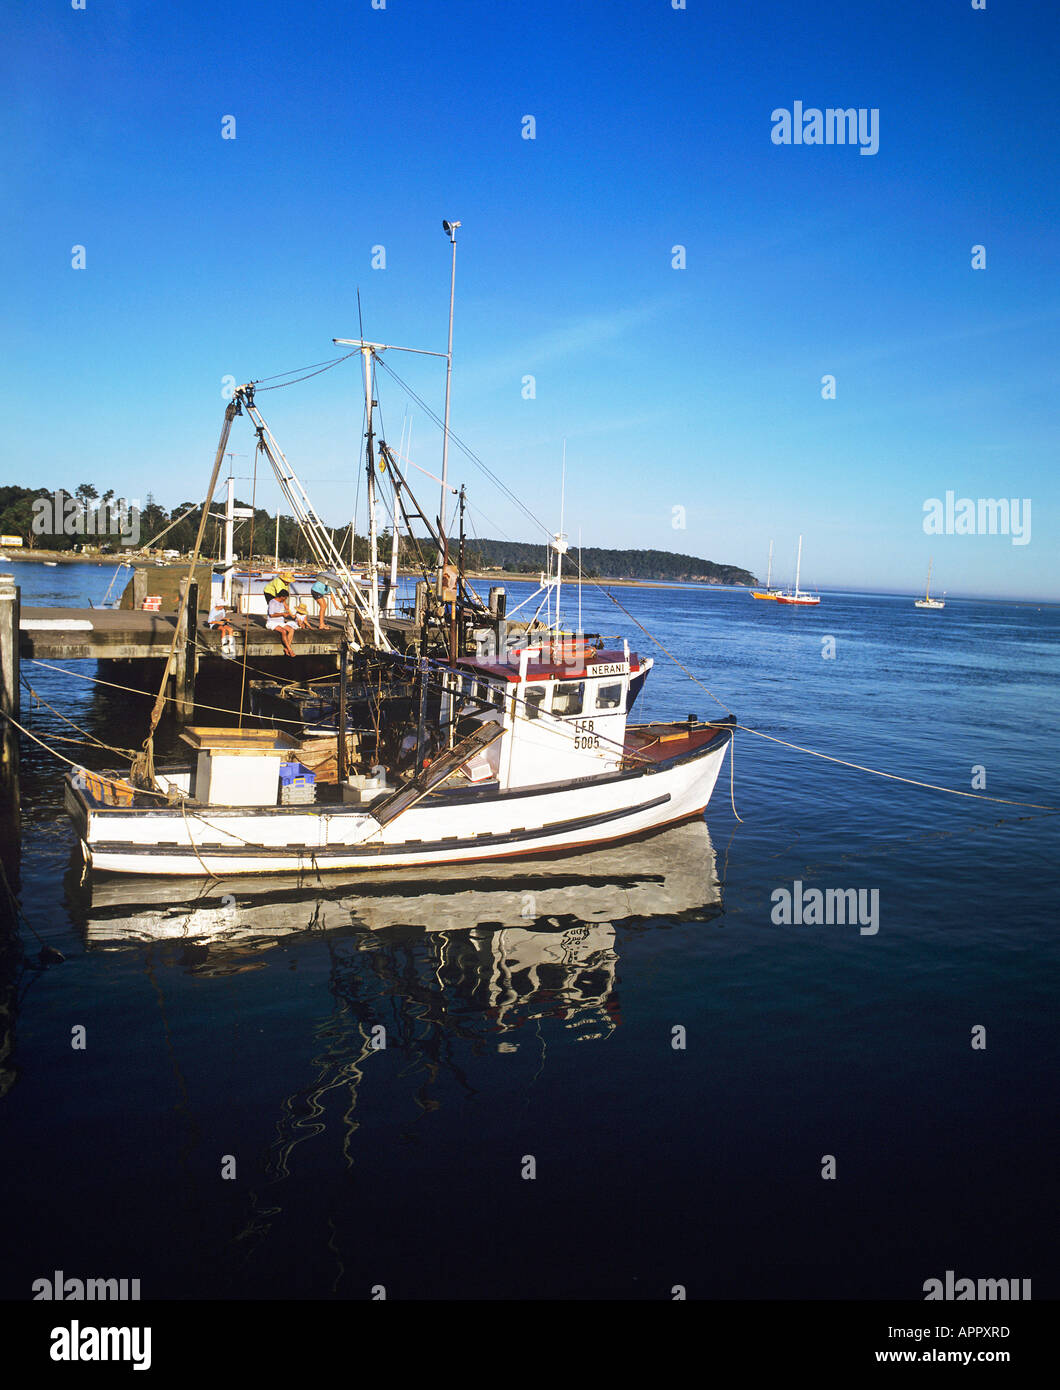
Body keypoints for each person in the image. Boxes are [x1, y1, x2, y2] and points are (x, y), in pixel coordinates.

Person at [266, 589, 297, 658]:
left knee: (291, 630)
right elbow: (271, 615)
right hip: (272, 622)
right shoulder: (272, 602)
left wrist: (291, 614)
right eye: (285, 598)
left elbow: (287, 609)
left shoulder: (282, 602)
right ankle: (290, 649)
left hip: (280, 622)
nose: (286, 599)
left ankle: (286, 648)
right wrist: (282, 614)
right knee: (283, 631)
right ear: (282, 596)